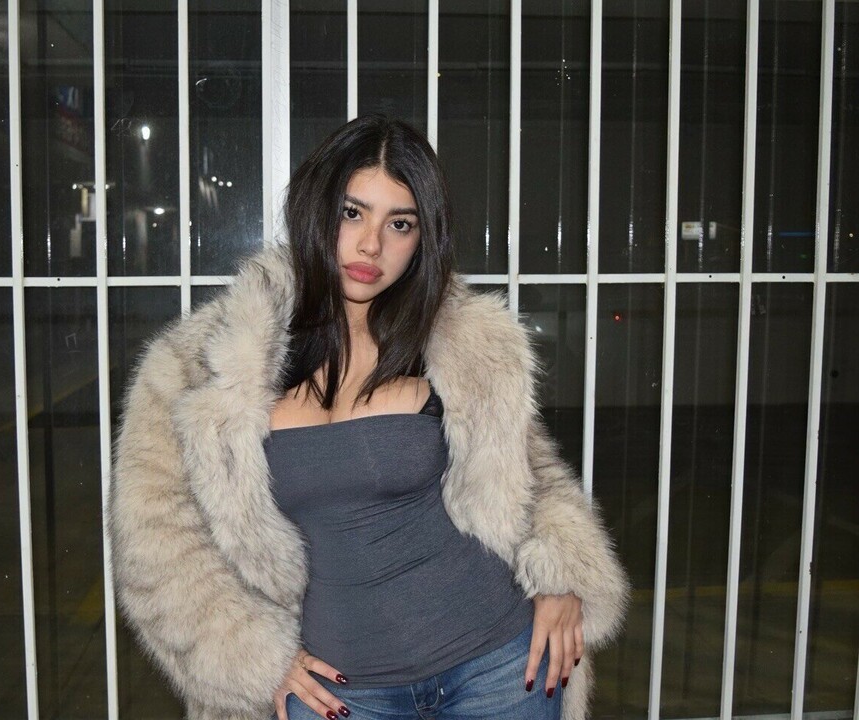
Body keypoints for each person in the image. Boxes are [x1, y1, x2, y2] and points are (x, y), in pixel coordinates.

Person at [110, 114, 629, 720]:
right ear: (315, 210)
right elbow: (154, 543)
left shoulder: (459, 345)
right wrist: (253, 658)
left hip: (499, 668)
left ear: (423, 237)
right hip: (340, 693)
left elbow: (533, 479)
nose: (370, 245)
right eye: (352, 213)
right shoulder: (201, 365)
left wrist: (563, 577)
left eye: (399, 223)